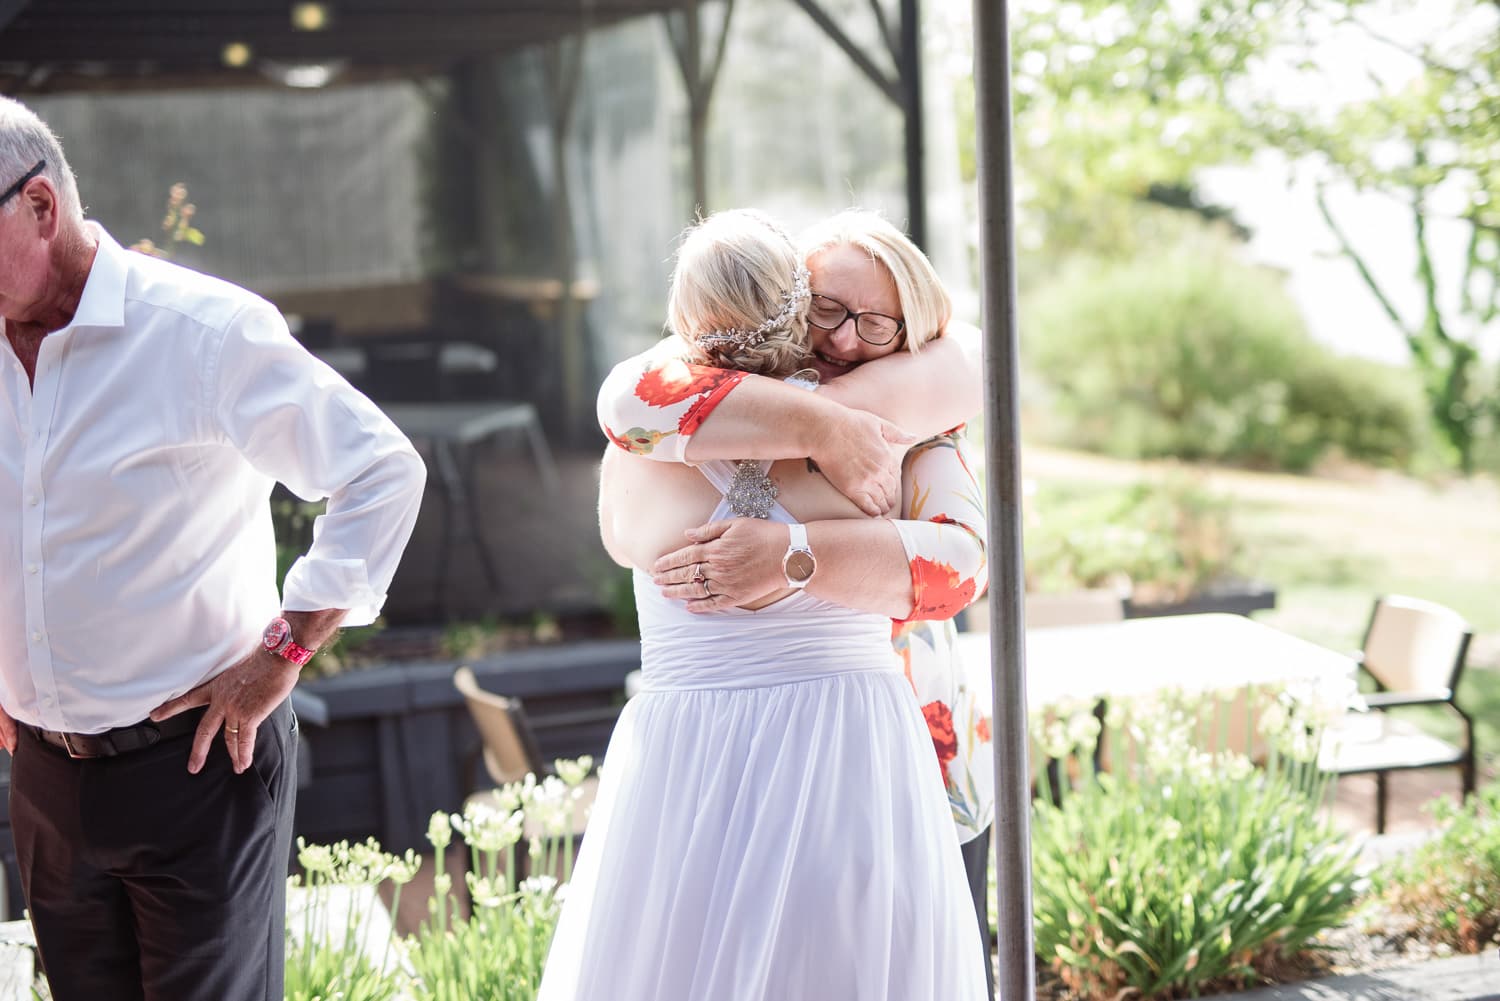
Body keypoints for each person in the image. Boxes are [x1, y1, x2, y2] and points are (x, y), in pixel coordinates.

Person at [0, 96, 427, 1001]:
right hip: (42, 777)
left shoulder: (200, 332)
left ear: (40, 204)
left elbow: (382, 470)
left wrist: (288, 646)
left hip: (197, 763)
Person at [538, 209, 987, 1000]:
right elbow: (628, 404)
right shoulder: (663, 414)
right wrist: (822, 422)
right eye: (826, 308)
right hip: (697, 748)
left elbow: (964, 564)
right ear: (787, 294)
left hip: (878, 743)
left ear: (912, 329)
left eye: (877, 324)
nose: (846, 339)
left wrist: (793, 554)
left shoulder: (915, 424)